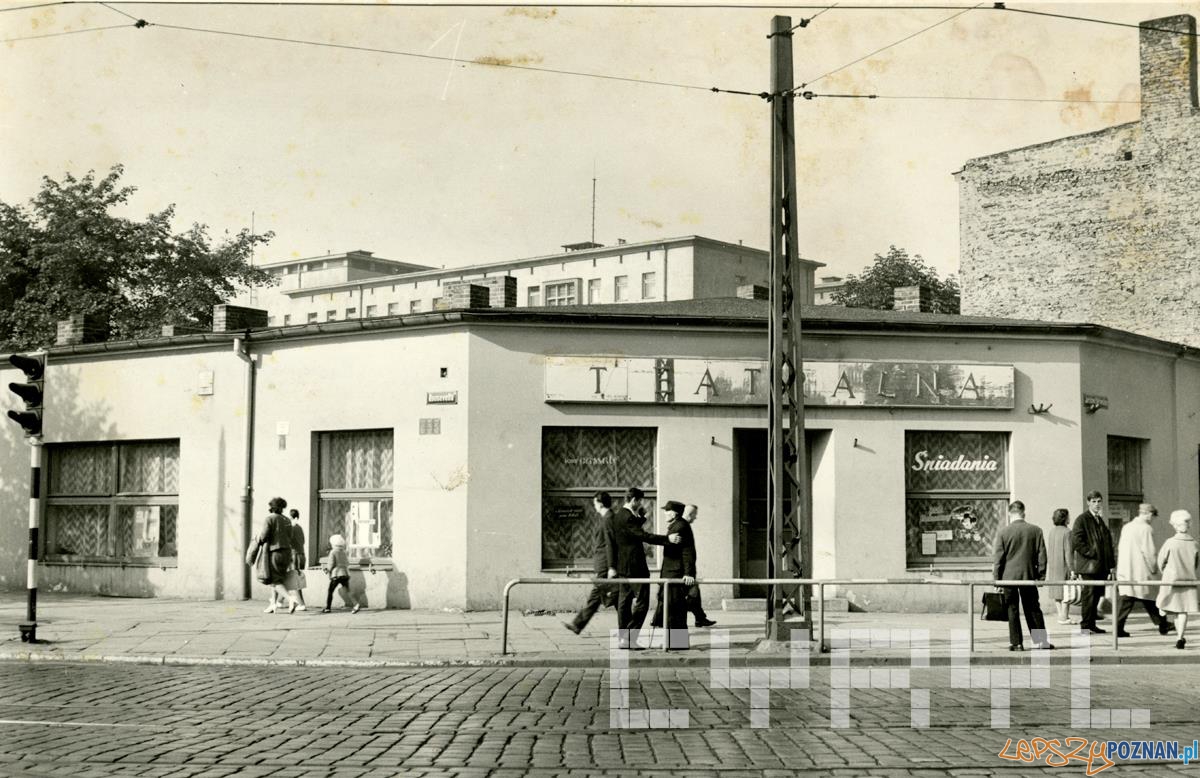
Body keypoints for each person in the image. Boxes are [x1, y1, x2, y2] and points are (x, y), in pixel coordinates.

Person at [609, 487, 676, 650]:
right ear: (634, 500)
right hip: (635, 567)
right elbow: (643, 536)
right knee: (642, 602)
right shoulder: (628, 518)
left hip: (623, 566)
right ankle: (629, 638)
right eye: (640, 501)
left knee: (624, 603)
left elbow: (632, 529)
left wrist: (642, 516)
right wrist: (668, 539)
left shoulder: (619, 516)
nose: (641, 504)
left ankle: (623, 638)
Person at [992, 500, 1052, 650]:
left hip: (1008, 578)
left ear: (1009, 514)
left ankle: (1017, 643)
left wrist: (997, 581)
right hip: (1029, 576)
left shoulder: (1003, 533)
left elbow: (998, 560)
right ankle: (1040, 641)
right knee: (1033, 608)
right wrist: (1041, 576)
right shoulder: (1036, 531)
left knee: (1012, 609)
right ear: (1023, 513)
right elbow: (1042, 556)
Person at [565, 491, 618, 635]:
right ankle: (628, 627)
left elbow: (610, 544)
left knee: (597, 594)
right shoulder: (606, 518)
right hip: (604, 563)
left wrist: (611, 566)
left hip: (605, 564)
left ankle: (578, 624)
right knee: (615, 597)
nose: (594, 506)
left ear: (600, 503)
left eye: (595, 503)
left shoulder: (608, 519)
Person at [1116, 503, 1172, 638]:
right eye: (1152, 515)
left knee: (1129, 599)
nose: (1152, 518)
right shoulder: (1146, 528)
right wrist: (1154, 568)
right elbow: (1149, 551)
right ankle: (1162, 624)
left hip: (1126, 569)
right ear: (1148, 514)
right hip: (1140, 571)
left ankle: (1162, 623)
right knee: (1152, 598)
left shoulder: (1127, 527)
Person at [649, 501, 695, 650]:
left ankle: (676, 643)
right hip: (671, 573)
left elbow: (688, 552)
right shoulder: (677, 525)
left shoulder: (680, 527)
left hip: (675, 574)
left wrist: (688, 573)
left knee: (674, 609)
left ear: (674, 513)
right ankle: (674, 642)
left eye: (667, 511)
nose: (664, 513)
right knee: (672, 609)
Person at [1072, 490, 1116, 634]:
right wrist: (1091, 553)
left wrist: (1111, 566)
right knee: (1089, 596)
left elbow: (1108, 543)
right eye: (1094, 501)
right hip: (1089, 567)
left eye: (1099, 501)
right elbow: (1077, 541)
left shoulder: (1099, 520)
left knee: (1096, 595)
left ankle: (1091, 624)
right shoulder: (1082, 519)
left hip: (1099, 566)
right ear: (1088, 502)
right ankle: (1085, 626)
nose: (1097, 504)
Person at [1156, 510, 1200, 650]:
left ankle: (1162, 610)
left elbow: (1161, 561)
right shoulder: (1194, 544)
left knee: (1171, 607)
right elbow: (1196, 563)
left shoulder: (1170, 543)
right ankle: (1180, 637)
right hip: (1188, 581)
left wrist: (1166, 571)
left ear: (1175, 525)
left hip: (1172, 580)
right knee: (1183, 611)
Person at [256, 497, 305, 613]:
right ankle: (273, 604)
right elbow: (291, 537)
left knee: (273, 580)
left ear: (271, 507)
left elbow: (263, 536)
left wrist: (257, 539)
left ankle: (290, 599)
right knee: (278, 578)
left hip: (275, 552)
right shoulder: (287, 520)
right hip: (287, 553)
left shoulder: (270, 519)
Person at [681, 504, 716, 628]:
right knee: (691, 595)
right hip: (684, 571)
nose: (696, 518)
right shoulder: (683, 526)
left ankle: (700, 618)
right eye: (695, 515)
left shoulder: (684, 525)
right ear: (690, 514)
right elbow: (686, 552)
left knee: (695, 593)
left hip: (687, 569)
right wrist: (688, 573)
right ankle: (700, 618)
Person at [269, 508, 309, 611]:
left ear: (295, 518)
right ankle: (280, 601)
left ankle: (301, 604)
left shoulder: (292, 528)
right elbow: (303, 541)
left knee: (293, 580)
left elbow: (287, 542)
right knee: (288, 578)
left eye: (290, 518)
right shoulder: (299, 528)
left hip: (294, 556)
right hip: (301, 555)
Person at [1045, 508, 1074, 625]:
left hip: (1053, 565)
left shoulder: (1052, 532)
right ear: (1065, 519)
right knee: (1067, 591)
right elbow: (1069, 552)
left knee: (1057, 592)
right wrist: (1072, 569)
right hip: (1063, 566)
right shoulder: (1067, 532)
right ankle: (1064, 616)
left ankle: (1060, 614)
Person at [322, 533, 362, 613]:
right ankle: (356, 604)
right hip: (345, 574)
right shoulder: (343, 552)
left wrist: (327, 569)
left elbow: (331, 563)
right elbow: (347, 563)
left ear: (333, 543)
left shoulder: (333, 552)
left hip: (336, 574)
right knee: (348, 590)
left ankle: (328, 608)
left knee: (330, 591)